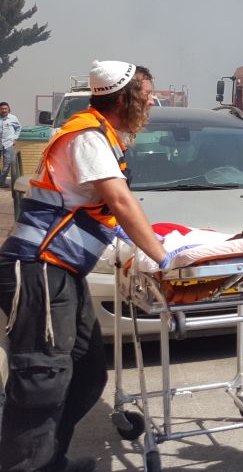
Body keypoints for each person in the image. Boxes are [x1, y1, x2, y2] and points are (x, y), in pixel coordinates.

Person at [0, 61, 184, 472]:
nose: (152, 100)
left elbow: (101, 213)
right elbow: (120, 202)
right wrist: (164, 259)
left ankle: (49, 459)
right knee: (42, 379)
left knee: (86, 374)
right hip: (39, 270)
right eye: (146, 94)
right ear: (123, 99)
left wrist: (150, 242)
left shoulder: (105, 136)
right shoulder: (87, 136)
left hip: (63, 272)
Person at [0, 102, 22, 187]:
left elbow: (18, 128)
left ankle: (1, 181)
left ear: (8, 109)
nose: (4, 110)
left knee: (7, 163)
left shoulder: (13, 118)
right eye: (2, 109)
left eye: (5, 109)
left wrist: (15, 138)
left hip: (8, 143)